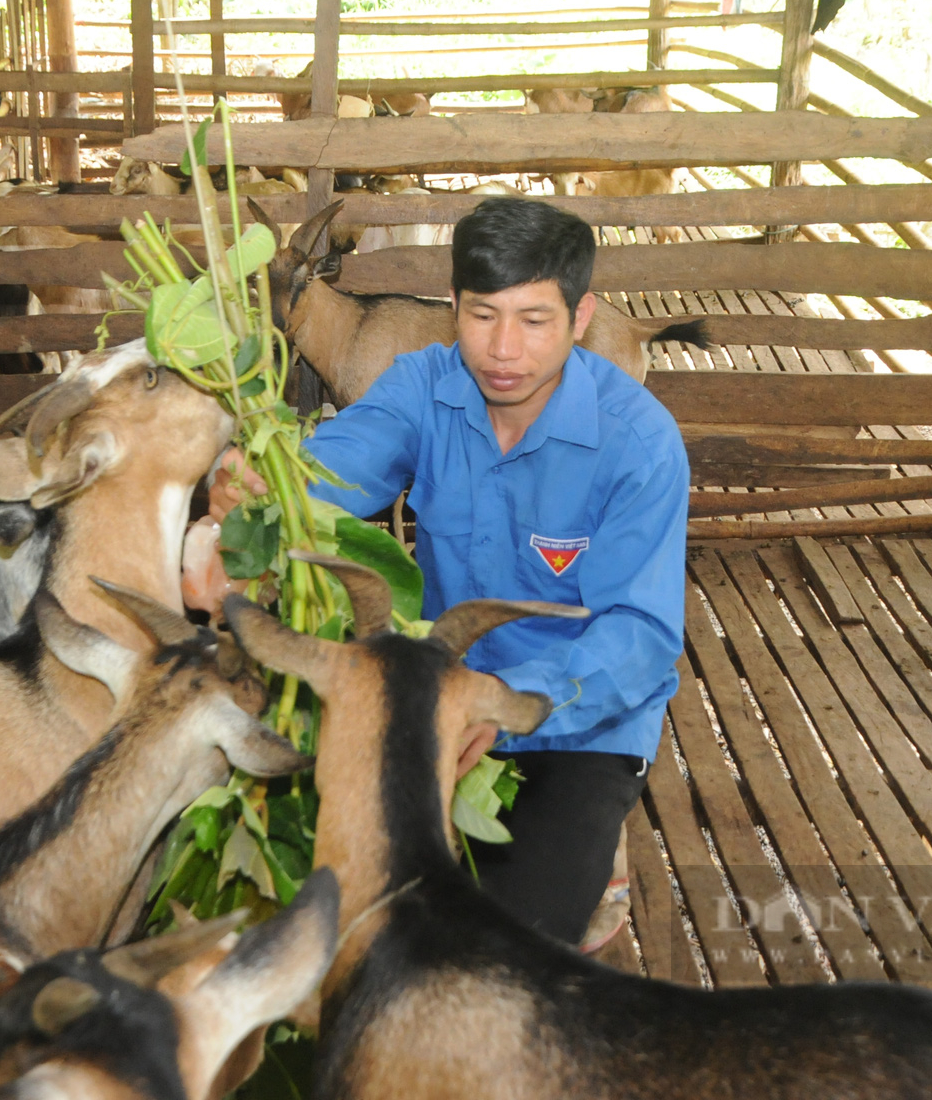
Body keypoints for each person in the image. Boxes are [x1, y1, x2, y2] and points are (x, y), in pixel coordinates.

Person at [200, 197, 688, 946]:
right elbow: (334, 470)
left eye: (534, 320)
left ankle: (599, 854)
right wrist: (267, 483)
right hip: (432, 689)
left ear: (581, 317)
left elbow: (642, 637)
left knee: (506, 943)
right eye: (482, 315)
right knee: (340, 906)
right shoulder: (421, 386)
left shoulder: (640, 443)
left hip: (574, 720)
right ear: (452, 306)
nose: (503, 349)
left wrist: (503, 704)